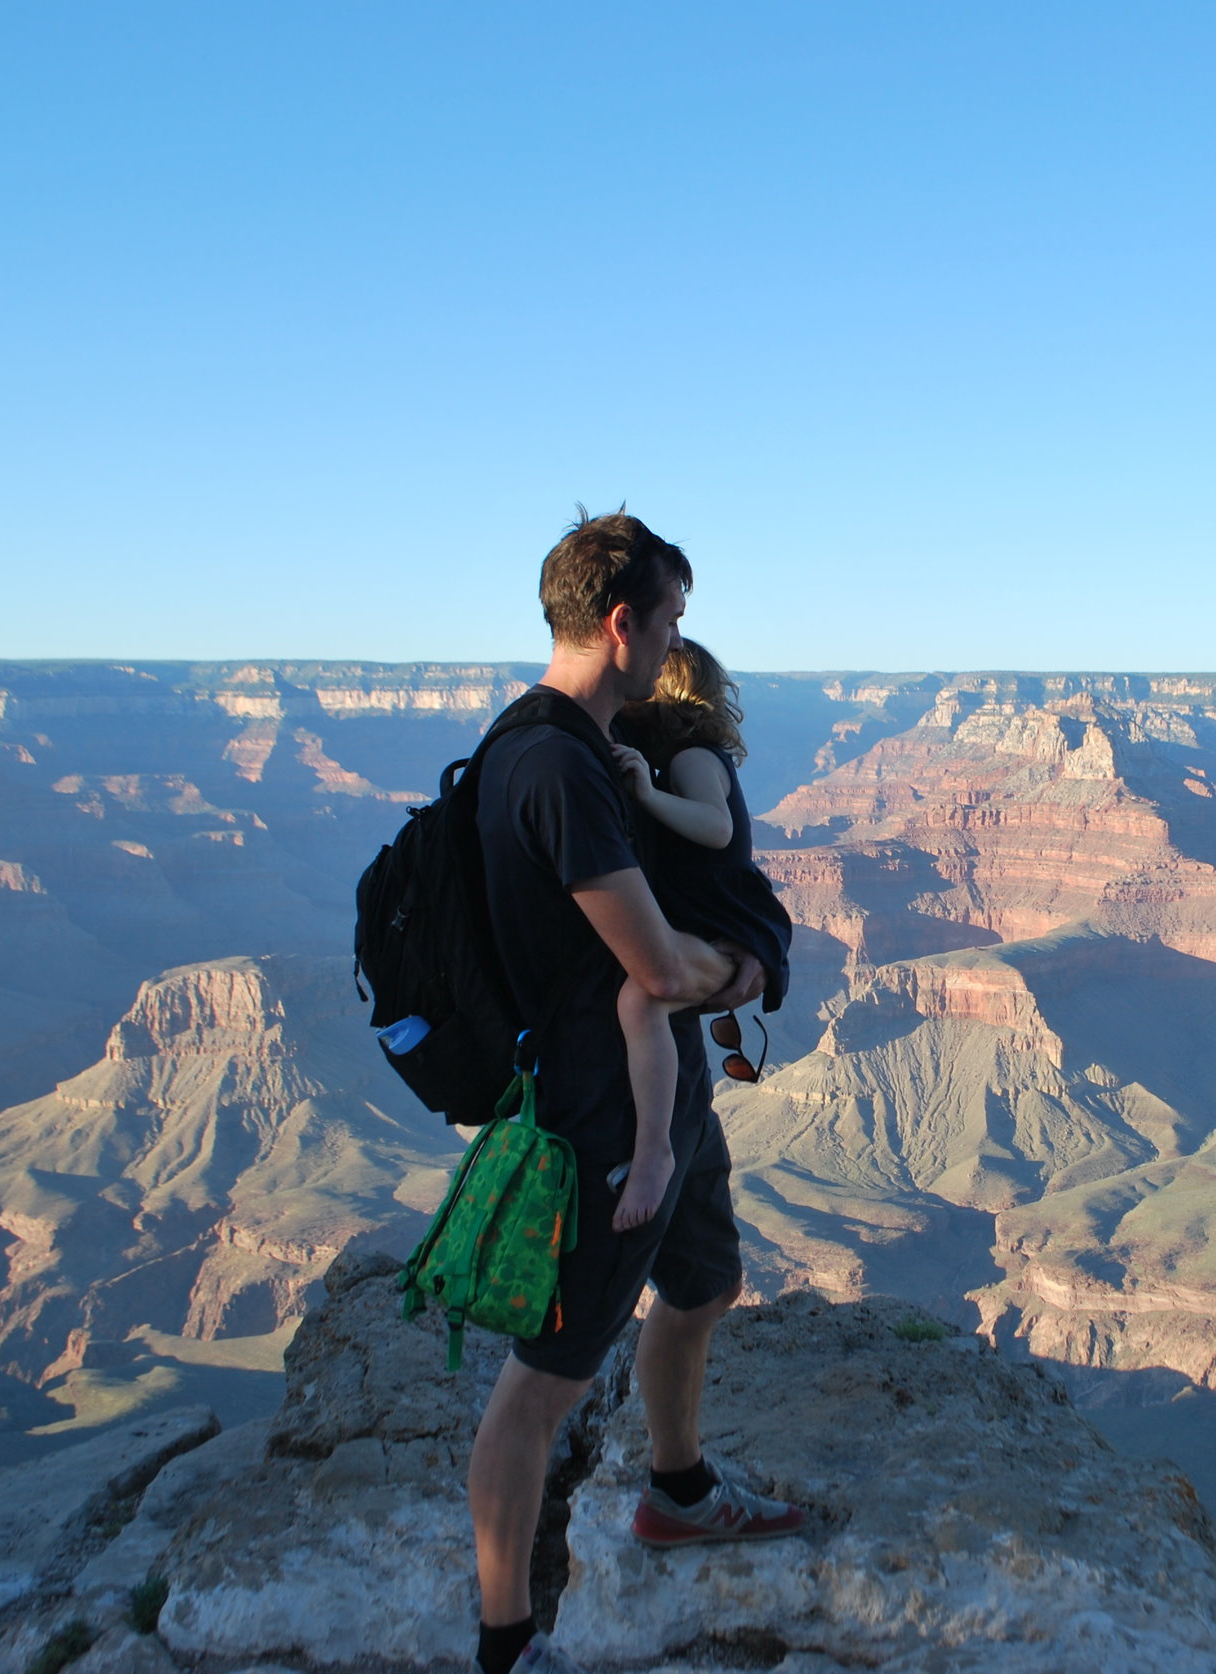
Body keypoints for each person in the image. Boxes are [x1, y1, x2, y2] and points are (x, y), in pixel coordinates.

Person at [468, 512, 804, 1674]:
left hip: (667, 1086)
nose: (675, 643)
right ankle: (508, 1641)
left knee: (705, 1282)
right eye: (669, 621)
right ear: (623, 622)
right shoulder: (557, 766)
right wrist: (747, 967)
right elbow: (658, 970)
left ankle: (678, 1489)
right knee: (539, 1388)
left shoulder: (575, 747)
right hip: (609, 1121)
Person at [606, 639, 793, 1234]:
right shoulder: (695, 753)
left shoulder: (689, 757)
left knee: (639, 1001)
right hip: (714, 907)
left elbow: (716, 828)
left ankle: (652, 1148)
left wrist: (647, 794)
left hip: (719, 910)